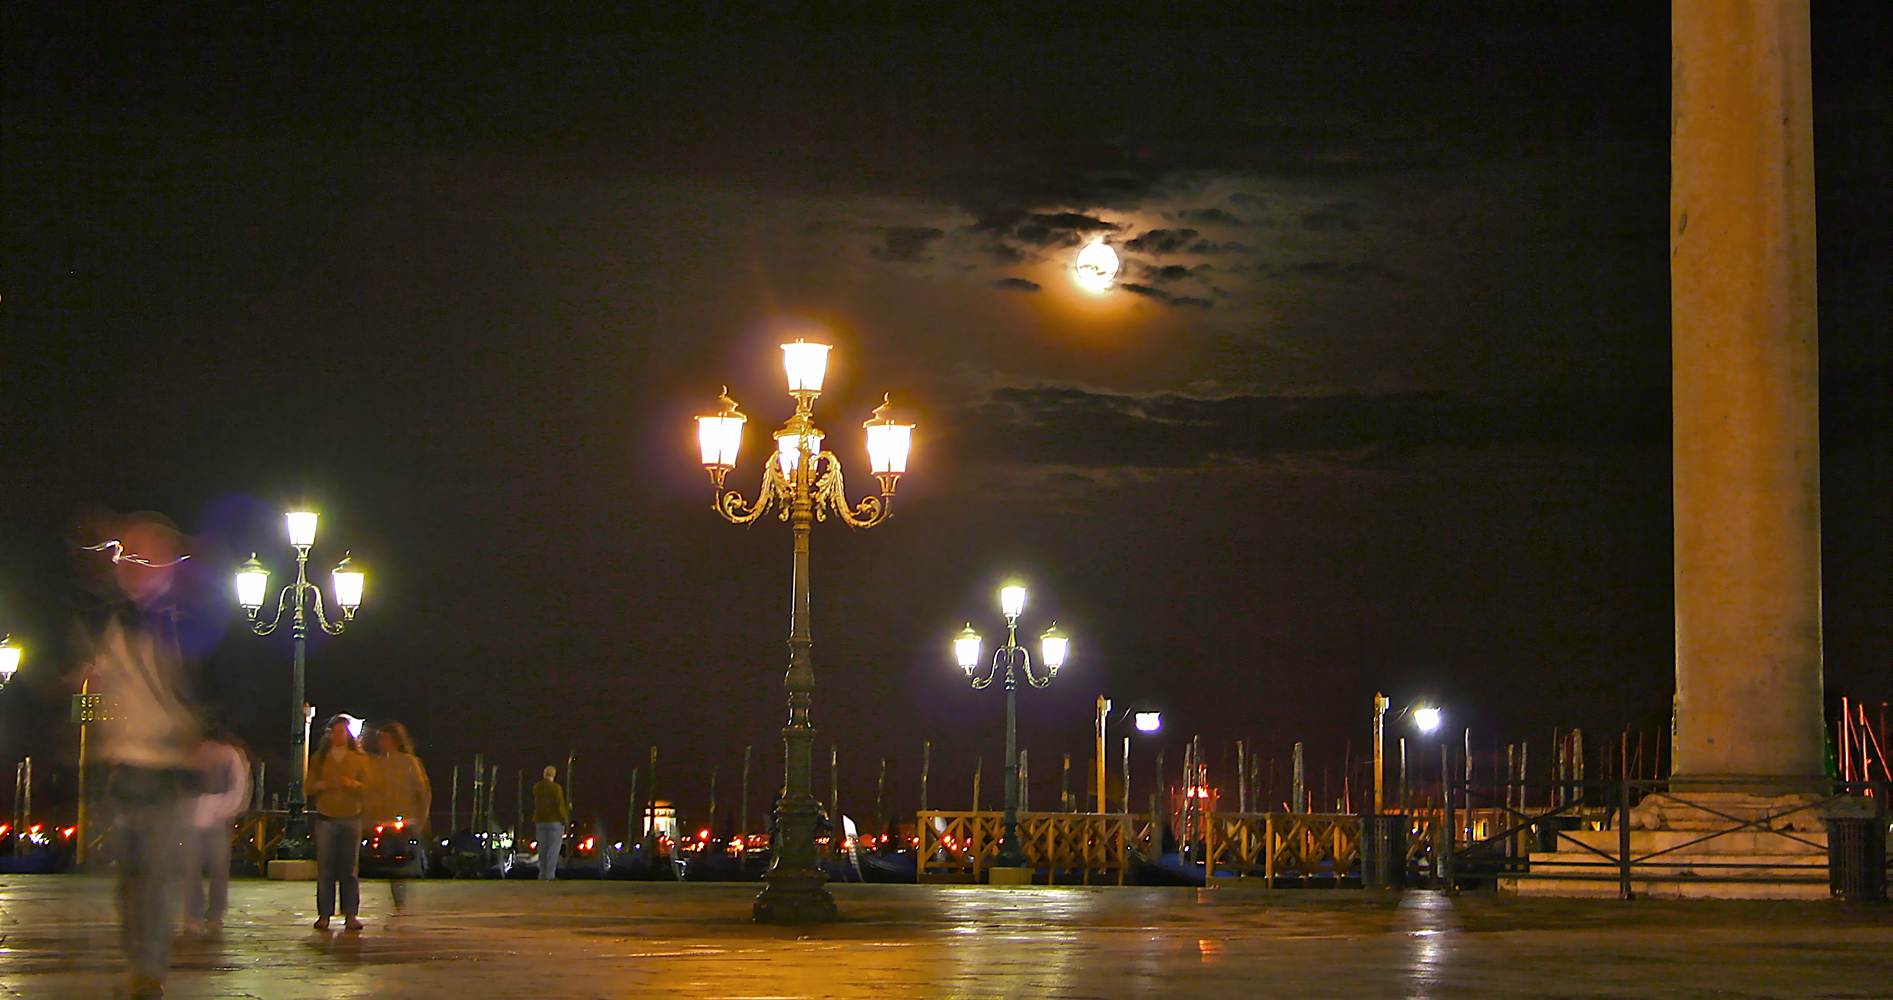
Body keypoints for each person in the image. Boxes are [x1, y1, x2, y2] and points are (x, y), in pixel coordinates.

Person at [81, 512, 202, 1000]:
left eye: (138, 554)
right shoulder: (113, 619)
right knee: (130, 877)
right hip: (124, 766)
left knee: (153, 873)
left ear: (164, 562)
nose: (126, 562)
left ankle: (148, 970)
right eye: (124, 552)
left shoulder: (187, 622)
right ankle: (140, 960)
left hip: (170, 767)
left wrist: (205, 735)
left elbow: (218, 687)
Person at [182, 728, 251, 935]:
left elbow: (239, 785)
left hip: (217, 820)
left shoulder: (229, 755)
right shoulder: (190, 754)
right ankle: (194, 914)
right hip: (192, 819)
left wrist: (225, 809)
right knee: (191, 870)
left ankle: (214, 915)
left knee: (217, 870)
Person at [305, 715, 371, 931]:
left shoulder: (359, 758)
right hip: (326, 818)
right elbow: (308, 786)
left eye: (342, 731)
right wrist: (322, 785)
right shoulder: (320, 758)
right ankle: (324, 915)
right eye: (334, 731)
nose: (337, 735)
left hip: (351, 817)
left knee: (349, 870)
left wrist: (350, 783)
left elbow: (370, 787)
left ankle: (351, 914)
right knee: (325, 869)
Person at [365, 721, 431, 912]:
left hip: (405, 824)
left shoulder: (409, 762)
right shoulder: (375, 764)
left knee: (402, 867)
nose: (382, 742)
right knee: (388, 866)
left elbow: (423, 792)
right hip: (383, 824)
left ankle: (402, 905)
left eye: (385, 738)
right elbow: (369, 793)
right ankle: (399, 905)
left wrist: (420, 820)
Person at [532, 766, 568, 880]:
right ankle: (550, 875)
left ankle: (542, 874)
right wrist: (564, 820)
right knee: (553, 850)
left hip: (540, 820)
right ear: (554, 775)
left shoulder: (537, 787)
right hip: (554, 822)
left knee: (542, 849)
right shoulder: (556, 788)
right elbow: (559, 805)